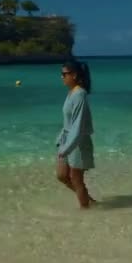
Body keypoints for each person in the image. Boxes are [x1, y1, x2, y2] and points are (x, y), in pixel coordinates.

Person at [55, 60, 96, 209]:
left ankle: (86, 210)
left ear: (74, 75)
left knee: (76, 179)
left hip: (78, 141)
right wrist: (62, 140)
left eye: (64, 74)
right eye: (62, 74)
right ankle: (89, 200)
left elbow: (77, 125)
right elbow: (68, 122)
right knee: (61, 175)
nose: (62, 77)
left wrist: (67, 148)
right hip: (67, 139)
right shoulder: (71, 92)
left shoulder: (79, 94)